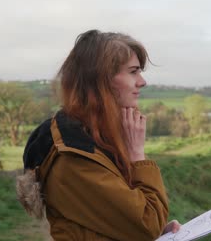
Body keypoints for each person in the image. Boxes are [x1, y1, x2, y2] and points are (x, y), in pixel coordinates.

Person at [16, 29, 180, 240]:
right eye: (133, 72)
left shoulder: (98, 140)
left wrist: (159, 232)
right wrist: (138, 155)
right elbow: (147, 223)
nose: (142, 81)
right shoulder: (74, 156)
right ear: (102, 80)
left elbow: (117, 223)